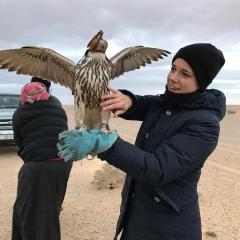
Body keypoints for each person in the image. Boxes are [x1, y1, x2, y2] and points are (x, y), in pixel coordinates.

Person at [57, 43, 226, 240]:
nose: (173, 77)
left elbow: (158, 169)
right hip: (136, 220)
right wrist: (128, 100)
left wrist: (105, 144)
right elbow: (143, 103)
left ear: (201, 82)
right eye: (173, 68)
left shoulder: (204, 124)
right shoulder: (165, 102)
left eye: (185, 74)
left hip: (169, 229)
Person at [12, 78, 72, 240]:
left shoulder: (20, 113)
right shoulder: (59, 109)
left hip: (37, 166)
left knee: (35, 218)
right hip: (63, 162)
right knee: (47, 209)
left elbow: (19, 141)